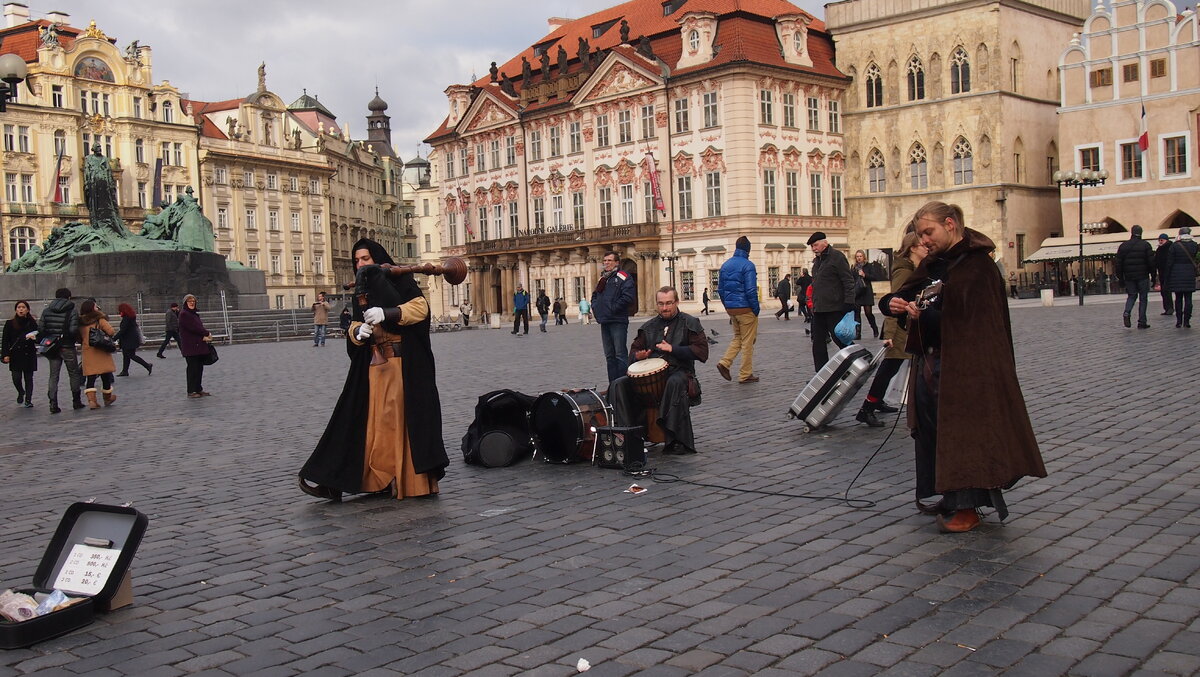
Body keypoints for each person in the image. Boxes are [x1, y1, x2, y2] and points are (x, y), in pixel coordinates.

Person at [881, 201, 1046, 533]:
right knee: (934, 429)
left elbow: (971, 321)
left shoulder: (978, 267)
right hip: (935, 362)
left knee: (966, 434)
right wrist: (894, 304)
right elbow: (903, 294)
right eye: (921, 234)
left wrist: (924, 313)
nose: (924, 240)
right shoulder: (935, 263)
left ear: (950, 223)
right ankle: (950, 495)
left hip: (970, 368)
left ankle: (968, 506)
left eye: (928, 232)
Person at [299, 238, 449, 502]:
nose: (361, 265)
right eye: (357, 261)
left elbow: (420, 309)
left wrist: (388, 313)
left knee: (398, 423)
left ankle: (404, 480)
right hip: (372, 369)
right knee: (371, 426)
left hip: (403, 367)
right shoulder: (362, 288)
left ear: (378, 258)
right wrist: (358, 331)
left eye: (365, 259)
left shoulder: (400, 279)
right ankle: (371, 479)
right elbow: (354, 324)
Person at [607, 287, 708, 454]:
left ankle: (677, 440)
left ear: (676, 302)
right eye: (661, 304)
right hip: (650, 378)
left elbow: (702, 352)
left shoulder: (690, 322)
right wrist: (638, 357)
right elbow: (633, 352)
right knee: (618, 385)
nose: (664, 308)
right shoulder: (648, 327)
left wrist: (673, 349)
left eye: (669, 303)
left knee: (674, 382)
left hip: (679, 372)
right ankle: (626, 437)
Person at [855, 231, 926, 427]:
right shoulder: (904, 271)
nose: (926, 247)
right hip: (899, 329)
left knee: (891, 368)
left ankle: (875, 403)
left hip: (905, 328)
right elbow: (897, 303)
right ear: (912, 248)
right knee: (889, 368)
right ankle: (867, 408)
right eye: (922, 245)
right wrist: (890, 334)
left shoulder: (913, 267)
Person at [807, 232, 856, 371]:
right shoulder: (817, 261)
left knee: (840, 338)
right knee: (818, 343)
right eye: (812, 246)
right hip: (819, 309)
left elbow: (848, 280)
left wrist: (849, 302)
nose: (814, 248)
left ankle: (856, 359)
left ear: (825, 243)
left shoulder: (837, 257)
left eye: (815, 245)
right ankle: (820, 372)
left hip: (834, 307)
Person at [715, 236, 760, 383]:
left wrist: (728, 306)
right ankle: (745, 374)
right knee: (748, 342)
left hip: (732, 309)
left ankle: (724, 363)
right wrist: (756, 309)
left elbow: (720, 290)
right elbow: (751, 290)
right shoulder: (748, 265)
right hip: (746, 308)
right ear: (748, 249)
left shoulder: (725, 265)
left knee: (738, 338)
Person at [591, 251, 636, 382]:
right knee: (609, 356)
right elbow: (595, 295)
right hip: (604, 320)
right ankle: (613, 385)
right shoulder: (603, 278)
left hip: (617, 320)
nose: (606, 263)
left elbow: (628, 297)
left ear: (617, 262)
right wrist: (595, 307)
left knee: (620, 354)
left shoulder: (623, 276)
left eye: (609, 260)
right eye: (605, 261)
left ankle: (623, 384)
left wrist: (613, 309)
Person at [38, 288, 84, 413]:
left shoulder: (47, 310)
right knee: (73, 373)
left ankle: (53, 403)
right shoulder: (72, 310)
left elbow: (41, 328)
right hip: (67, 346)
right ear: (69, 297)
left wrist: (50, 337)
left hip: (52, 346)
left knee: (53, 375)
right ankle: (76, 401)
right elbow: (73, 330)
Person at [78, 298, 117, 409]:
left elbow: (78, 338)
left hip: (88, 351)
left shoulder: (80, 322)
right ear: (92, 308)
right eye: (95, 306)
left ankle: (92, 401)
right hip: (101, 350)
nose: (97, 308)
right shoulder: (99, 319)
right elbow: (111, 331)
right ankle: (107, 398)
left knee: (91, 377)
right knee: (105, 375)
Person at [1115, 224, 1154, 329]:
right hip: (1143, 275)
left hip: (1129, 276)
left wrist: (1120, 278)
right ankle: (1142, 321)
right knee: (1143, 298)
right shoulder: (1145, 245)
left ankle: (1127, 312)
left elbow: (1118, 264)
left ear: (1131, 233)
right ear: (1141, 233)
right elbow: (1151, 263)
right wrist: (1153, 276)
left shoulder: (1123, 246)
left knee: (1131, 296)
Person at [2, 301, 38, 408]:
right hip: (15, 355)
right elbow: (5, 340)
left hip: (29, 353)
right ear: (16, 310)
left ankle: (28, 399)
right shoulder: (10, 323)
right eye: (19, 307)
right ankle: (21, 391)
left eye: (23, 307)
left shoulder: (32, 323)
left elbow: (39, 336)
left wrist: (34, 337)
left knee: (28, 378)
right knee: (16, 378)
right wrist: (5, 354)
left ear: (27, 310)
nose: (21, 309)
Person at [178, 294, 214, 398]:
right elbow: (194, 328)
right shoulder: (184, 314)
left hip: (198, 345)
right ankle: (191, 391)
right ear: (185, 303)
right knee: (192, 369)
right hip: (191, 346)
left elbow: (197, 327)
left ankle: (198, 389)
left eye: (193, 301)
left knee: (199, 368)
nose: (192, 302)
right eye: (189, 301)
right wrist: (207, 333)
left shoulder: (193, 314)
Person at [1165, 226, 1197, 328]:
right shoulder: (1194, 245)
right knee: (1188, 298)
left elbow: (1169, 262)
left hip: (1176, 274)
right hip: (1189, 274)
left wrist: (1167, 276)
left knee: (1178, 298)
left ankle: (1179, 321)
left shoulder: (1174, 246)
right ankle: (1187, 321)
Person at [114, 303, 153, 377]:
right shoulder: (131, 317)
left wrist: (114, 338)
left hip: (128, 340)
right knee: (126, 355)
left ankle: (147, 365)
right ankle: (125, 371)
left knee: (131, 355)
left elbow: (123, 330)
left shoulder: (126, 318)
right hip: (131, 339)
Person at [852, 250, 879, 339]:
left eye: (860, 256)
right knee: (857, 313)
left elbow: (874, 277)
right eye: (857, 256)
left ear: (864, 257)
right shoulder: (853, 267)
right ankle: (858, 333)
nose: (859, 258)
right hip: (857, 292)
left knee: (868, 313)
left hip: (866, 292)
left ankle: (874, 328)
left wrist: (865, 275)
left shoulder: (869, 266)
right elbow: (851, 279)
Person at [1154, 233, 1175, 316]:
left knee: (1167, 291)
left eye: (1161, 240)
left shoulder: (1171, 248)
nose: (1160, 241)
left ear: (1166, 240)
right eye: (1159, 240)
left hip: (1169, 273)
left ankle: (1170, 308)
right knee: (1164, 291)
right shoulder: (1159, 249)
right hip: (1162, 273)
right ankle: (1167, 308)